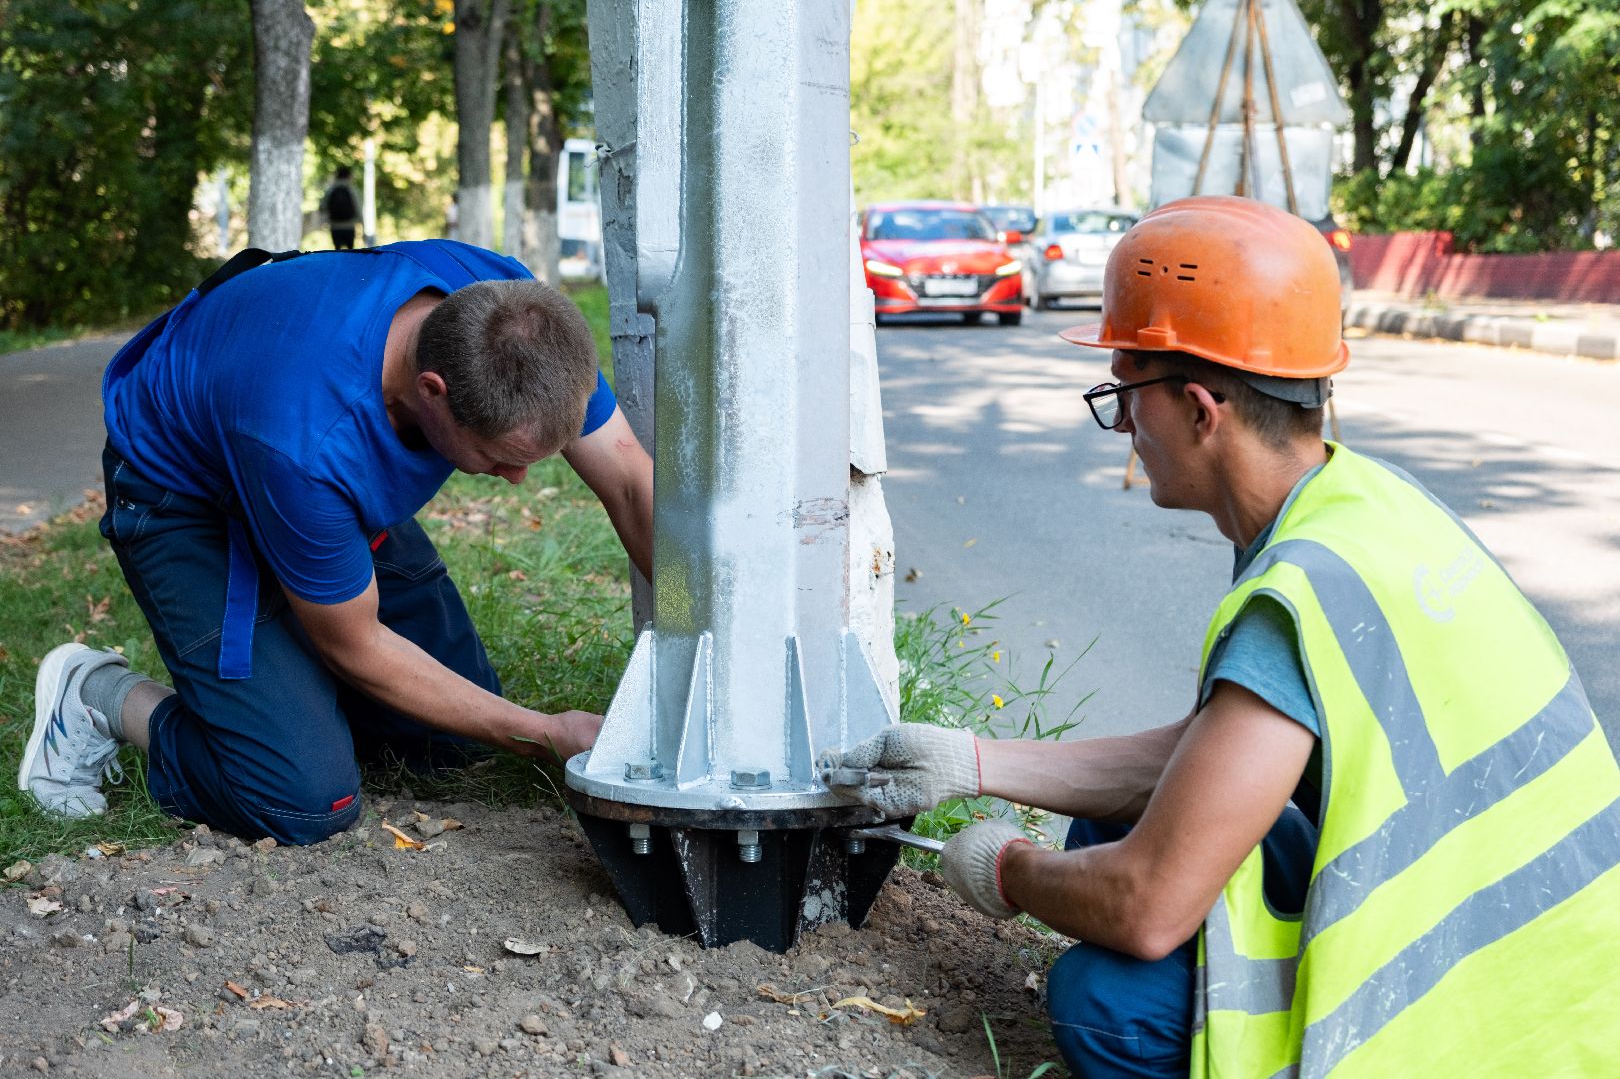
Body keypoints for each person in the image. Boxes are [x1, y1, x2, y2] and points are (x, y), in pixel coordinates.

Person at [827, 197, 1620, 1076]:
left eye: (1127, 393)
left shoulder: (1298, 596)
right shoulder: (1366, 509)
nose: (1124, 426)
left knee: (1106, 1003)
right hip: (1556, 947)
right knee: (1107, 826)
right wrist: (974, 762)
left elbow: (1146, 906)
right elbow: (1215, 751)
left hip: (1479, 1018)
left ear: (1203, 410)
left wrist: (1007, 869)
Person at [19, 239, 653, 847]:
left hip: (294, 462)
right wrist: (542, 733)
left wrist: (712, 646)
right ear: (432, 391)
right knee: (301, 795)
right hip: (184, 491)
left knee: (448, 744)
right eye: (499, 458)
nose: (517, 479)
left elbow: (628, 481)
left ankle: (285, 682)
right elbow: (358, 645)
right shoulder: (307, 441)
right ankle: (96, 694)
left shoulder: (512, 321)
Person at [321, 166, 361, 249]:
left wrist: (325, 220)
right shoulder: (352, 189)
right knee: (350, 252)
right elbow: (358, 208)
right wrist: (361, 223)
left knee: (337, 251)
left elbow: (322, 207)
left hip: (335, 225)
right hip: (349, 225)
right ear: (349, 176)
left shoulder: (331, 189)